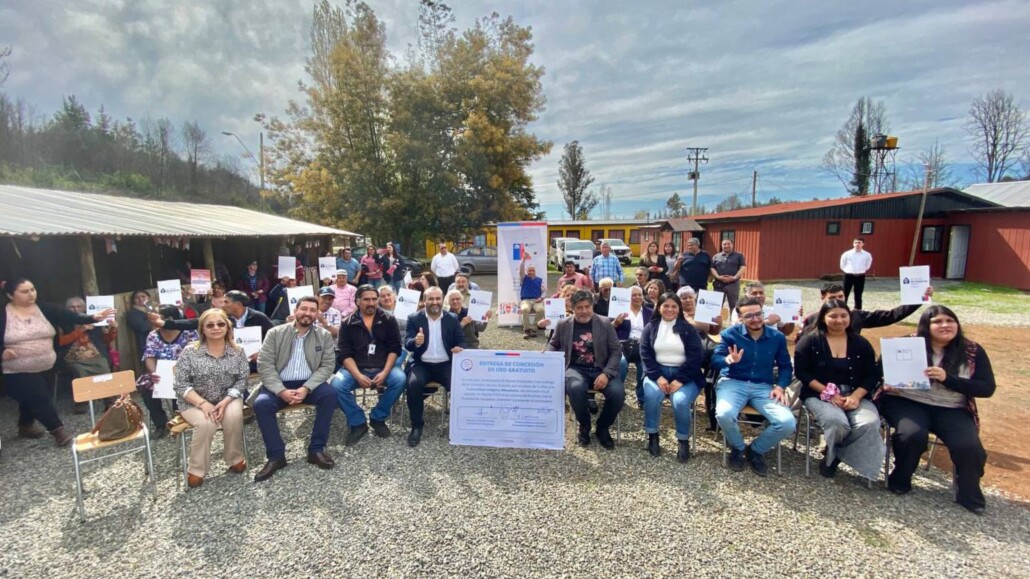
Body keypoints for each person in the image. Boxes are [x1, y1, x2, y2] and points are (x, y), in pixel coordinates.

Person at [879, 306, 996, 514]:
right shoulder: (905, 344)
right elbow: (878, 372)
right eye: (938, 322)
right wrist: (886, 384)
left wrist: (947, 379)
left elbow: (987, 388)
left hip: (951, 408)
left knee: (969, 446)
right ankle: (900, 478)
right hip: (908, 401)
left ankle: (968, 492)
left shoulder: (972, 351)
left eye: (950, 321)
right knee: (911, 435)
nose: (945, 325)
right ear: (926, 325)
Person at [1, 278, 115, 446]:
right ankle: (58, 431)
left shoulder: (44, 308)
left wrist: (92, 317)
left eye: (32, 289)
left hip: (47, 364)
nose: (31, 294)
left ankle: (25, 425)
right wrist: (2, 352)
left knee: (31, 397)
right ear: (10, 295)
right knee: (39, 396)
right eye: (24, 291)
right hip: (16, 368)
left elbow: (69, 316)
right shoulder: (4, 313)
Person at [793, 299, 884, 480]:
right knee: (837, 422)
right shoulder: (810, 341)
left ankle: (834, 454)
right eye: (833, 316)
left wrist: (857, 396)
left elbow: (872, 375)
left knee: (869, 423)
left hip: (855, 394)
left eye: (844, 316)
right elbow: (802, 372)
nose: (839, 320)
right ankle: (835, 453)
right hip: (818, 394)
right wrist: (829, 393)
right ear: (823, 318)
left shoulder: (861, 343)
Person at [253, 296, 338, 481]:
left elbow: (327, 365)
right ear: (296, 311)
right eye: (304, 309)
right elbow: (264, 364)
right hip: (279, 384)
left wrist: (306, 388)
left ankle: (316, 449)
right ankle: (276, 456)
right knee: (261, 405)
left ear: (317, 314)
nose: (308, 313)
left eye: (312, 310)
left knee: (330, 395)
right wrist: (280, 391)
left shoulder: (323, 336)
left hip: (310, 384)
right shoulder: (275, 333)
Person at [712, 296, 795, 476]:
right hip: (733, 382)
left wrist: (780, 387)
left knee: (787, 422)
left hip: (763, 386)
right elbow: (715, 360)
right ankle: (738, 447)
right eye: (749, 316)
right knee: (724, 414)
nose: (755, 319)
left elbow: (786, 367)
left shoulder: (777, 337)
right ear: (740, 318)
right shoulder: (729, 334)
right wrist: (728, 360)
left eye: (758, 314)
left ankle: (756, 450)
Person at [172, 308, 249, 488]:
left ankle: (234, 457)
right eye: (210, 325)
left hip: (227, 398)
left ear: (227, 328)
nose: (216, 328)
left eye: (220, 324)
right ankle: (197, 469)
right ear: (202, 330)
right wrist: (203, 404)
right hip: (194, 402)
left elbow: (242, 380)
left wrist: (225, 401)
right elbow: (181, 385)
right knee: (207, 423)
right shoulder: (189, 352)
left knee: (233, 416)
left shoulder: (238, 352)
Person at [547, 290, 624, 449]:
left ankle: (602, 427)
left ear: (592, 306)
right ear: (572, 307)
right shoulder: (563, 324)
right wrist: (548, 354)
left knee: (618, 394)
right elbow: (553, 344)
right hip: (575, 368)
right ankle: (585, 425)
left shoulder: (605, 323)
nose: (584, 311)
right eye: (579, 307)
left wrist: (607, 373)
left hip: (601, 368)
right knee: (575, 389)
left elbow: (616, 350)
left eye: (587, 307)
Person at [331, 285, 405, 446]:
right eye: (366, 299)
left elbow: (395, 348)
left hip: (383, 368)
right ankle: (358, 422)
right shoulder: (347, 323)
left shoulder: (388, 319)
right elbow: (344, 353)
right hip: (356, 369)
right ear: (357, 301)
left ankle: (378, 417)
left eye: (374, 299)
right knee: (336, 385)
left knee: (399, 379)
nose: (371, 303)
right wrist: (357, 375)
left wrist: (385, 372)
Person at [639, 292, 705, 461]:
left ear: (679, 309)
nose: (670, 309)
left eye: (674, 306)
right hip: (657, 373)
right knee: (652, 397)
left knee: (680, 401)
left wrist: (680, 379)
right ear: (659, 308)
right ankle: (653, 435)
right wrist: (658, 377)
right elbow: (645, 354)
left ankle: (683, 440)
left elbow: (696, 357)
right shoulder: (651, 327)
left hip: (686, 375)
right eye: (666, 306)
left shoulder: (688, 329)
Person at [404, 287, 465, 447]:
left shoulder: (452, 318)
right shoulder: (414, 318)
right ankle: (416, 426)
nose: (435, 302)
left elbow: (461, 340)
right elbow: (407, 344)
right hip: (421, 364)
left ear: (442, 299)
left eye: (438, 298)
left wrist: (459, 348)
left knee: (460, 386)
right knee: (413, 385)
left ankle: (461, 425)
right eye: (430, 299)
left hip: (445, 364)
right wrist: (415, 341)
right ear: (424, 301)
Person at [797, 281, 933, 342]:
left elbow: (891, 316)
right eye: (832, 298)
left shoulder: (857, 316)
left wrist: (919, 298)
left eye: (840, 296)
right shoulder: (812, 319)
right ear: (823, 298)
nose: (838, 300)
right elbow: (801, 344)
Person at [141, 305, 198, 438]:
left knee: (178, 389)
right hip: (162, 372)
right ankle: (161, 424)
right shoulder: (153, 335)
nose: (152, 319)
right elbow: (149, 355)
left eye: (157, 316)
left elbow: (196, 353)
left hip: (186, 371)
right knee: (146, 388)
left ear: (169, 319)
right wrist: (154, 372)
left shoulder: (188, 332)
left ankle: (180, 419)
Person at [58, 297, 118, 413]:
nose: (76, 310)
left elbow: (106, 340)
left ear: (84, 308)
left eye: (79, 306)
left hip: (96, 356)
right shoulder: (62, 323)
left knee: (104, 369)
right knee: (79, 372)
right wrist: (81, 330)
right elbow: (60, 342)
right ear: (66, 309)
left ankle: (109, 401)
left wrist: (113, 329)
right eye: (72, 307)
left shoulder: (95, 320)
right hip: (73, 358)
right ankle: (82, 401)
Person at [614, 286, 652, 407]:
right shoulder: (619, 311)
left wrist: (646, 338)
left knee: (643, 366)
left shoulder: (650, 312)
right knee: (621, 363)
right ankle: (618, 394)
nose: (637, 297)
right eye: (633, 295)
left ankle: (641, 397)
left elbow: (655, 330)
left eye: (639, 295)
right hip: (622, 345)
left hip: (642, 346)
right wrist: (615, 323)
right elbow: (607, 329)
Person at [711, 239, 746, 313]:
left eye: (728, 244)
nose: (726, 246)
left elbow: (743, 267)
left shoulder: (739, 256)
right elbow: (712, 268)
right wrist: (717, 277)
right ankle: (716, 324)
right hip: (719, 284)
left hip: (733, 284)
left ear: (732, 245)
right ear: (721, 246)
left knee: (734, 305)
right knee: (716, 305)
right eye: (724, 244)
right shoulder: (716, 256)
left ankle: (733, 322)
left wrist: (734, 278)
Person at [840, 237, 872, 310]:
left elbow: (867, 266)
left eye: (859, 242)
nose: (857, 244)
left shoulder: (867, 255)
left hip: (860, 276)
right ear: (853, 244)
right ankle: (843, 309)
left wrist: (860, 270)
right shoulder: (847, 254)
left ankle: (858, 310)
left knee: (858, 294)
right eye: (856, 242)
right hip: (848, 276)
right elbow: (842, 265)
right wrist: (848, 271)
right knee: (845, 293)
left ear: (863, 244)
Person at [518, 255, 545, 339]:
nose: (531, 272)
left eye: (532, 270)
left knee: (541, 310)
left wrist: (541, 298)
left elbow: (544, 291)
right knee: (525, 309)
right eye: (529, 270)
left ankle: (534, 328)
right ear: (527, 271)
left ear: (535, 271)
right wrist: (523, 260)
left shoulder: (540, 280)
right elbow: (521, 270)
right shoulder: (524, 278)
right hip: (525, 300)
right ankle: (526, 329)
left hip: (537, 300)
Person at [126, 290, 154, 357]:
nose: (140, 299)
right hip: (147, 343)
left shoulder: (156, 308)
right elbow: (143, 327)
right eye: (137, 298)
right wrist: (153, 318)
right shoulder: (132, 313)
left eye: (143, 296)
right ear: (134, 301)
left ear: (148, 298)